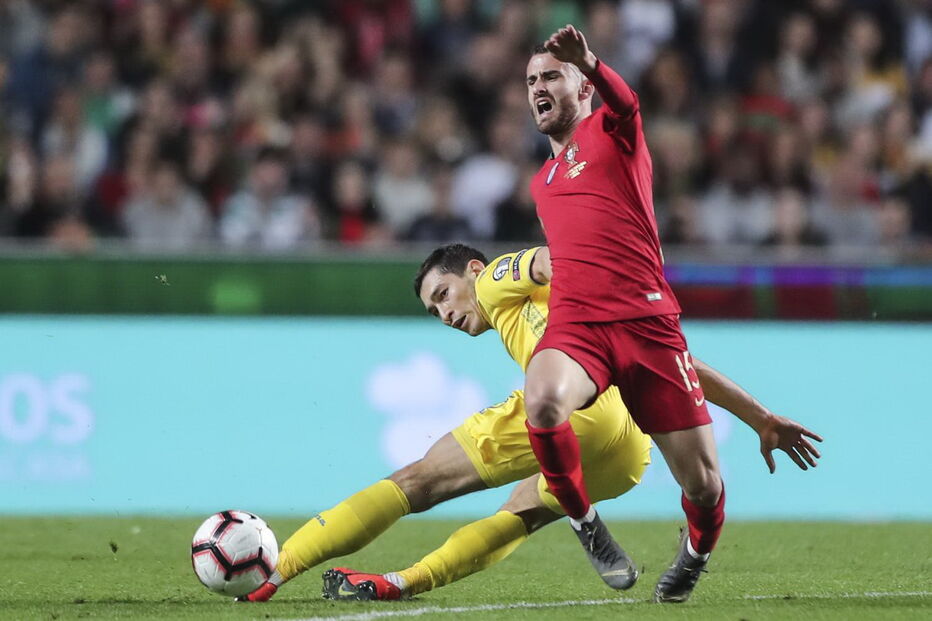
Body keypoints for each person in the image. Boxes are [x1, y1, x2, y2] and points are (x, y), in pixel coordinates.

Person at [238, 244, 822, 603]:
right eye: (433, 310)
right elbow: (680, 364)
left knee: (417, 481)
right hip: (626, 454)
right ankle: (402, 583)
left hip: (572, 407)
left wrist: (597, 256)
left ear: (471, 269)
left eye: (444, 293)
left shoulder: (495, 281)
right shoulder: (572, 308)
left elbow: (550, 255)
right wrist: (759, 417)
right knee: (519, 514)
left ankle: (277, 571)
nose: (444, 313)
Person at [520, 26, 823, 603]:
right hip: (579, 325)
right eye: (532, 79)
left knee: (705, 487)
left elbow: (629, 103)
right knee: (542, 399)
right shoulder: (542, 181)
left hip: (648, 325)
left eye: (551, 76)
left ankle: (695, 553)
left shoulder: (614, 133)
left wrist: (590, 59)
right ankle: (588, 526)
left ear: (583, 90)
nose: (538, 86)